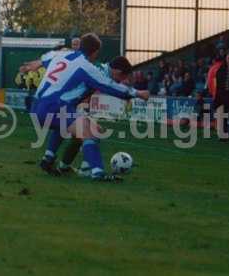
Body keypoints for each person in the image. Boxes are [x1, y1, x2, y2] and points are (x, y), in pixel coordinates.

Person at [31, 33, 149, 181]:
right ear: (95, 52)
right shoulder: (91, 68)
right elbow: (108, 85)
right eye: (122, 78)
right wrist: (137, 93)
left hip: (38, 105)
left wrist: (39, 62)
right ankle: (96, 172)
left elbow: (50, 58)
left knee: (68, 125)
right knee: (91, 130)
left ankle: (50, 160)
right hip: (54, 105)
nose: (121, 81)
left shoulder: (66, 56)